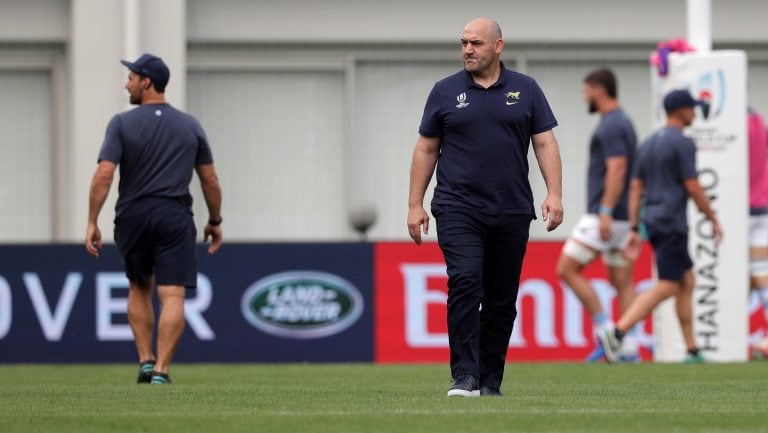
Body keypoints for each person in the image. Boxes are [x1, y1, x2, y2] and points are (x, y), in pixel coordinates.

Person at [407, 18, 563, 397]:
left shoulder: (526, 90)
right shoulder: (444, 92)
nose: (467, 50)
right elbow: (427, 148)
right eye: (463, 43)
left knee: (501, 297)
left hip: (511, 209)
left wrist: (554, 193)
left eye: (475, 43)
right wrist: (415, 204)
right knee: (465, 282)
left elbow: (545, 143)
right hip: (457, 207)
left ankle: (490, 380)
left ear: (498, 46)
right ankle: (464, 375)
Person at [85, 53, 223, 384]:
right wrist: (215, 221)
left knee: (138, 286)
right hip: (174, 214)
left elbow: (105, 174)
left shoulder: (121, 123)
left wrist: (92, 220)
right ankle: (161, 370)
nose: (126, 83)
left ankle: (145, 359)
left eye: (131, 77)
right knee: (172, 295)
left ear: (146, 82)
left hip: (132, 214)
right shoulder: (190, 125)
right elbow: (210, 180)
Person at [598, 89, 723, 364]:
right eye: (692, 108)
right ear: (681, 111)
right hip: (671, 223)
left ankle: (692, 351)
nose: (695, 112)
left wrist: (634, 227)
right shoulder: (682, 142)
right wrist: (713, 218)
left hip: (653, 222)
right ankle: (617, 332)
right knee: (668, 285)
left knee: (687, 281)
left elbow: (635, 187)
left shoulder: (650, 141)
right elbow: (692, 186)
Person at [554, 68, 640, 363]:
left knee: (567, 268)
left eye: (586, 91)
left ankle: (606, 330)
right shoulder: (623, 121)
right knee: (622, 282)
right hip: (623, 217)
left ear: (599, 90)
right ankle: (628, 348)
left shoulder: (612, 125)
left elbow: (617, 167)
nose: (584, 97)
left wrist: (604, 209)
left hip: (605, 216)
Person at [747, 107, 768, 358]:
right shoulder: (758, 120)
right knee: (761, 274)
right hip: (762, 205)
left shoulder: (728, 121)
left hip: (739, 209)